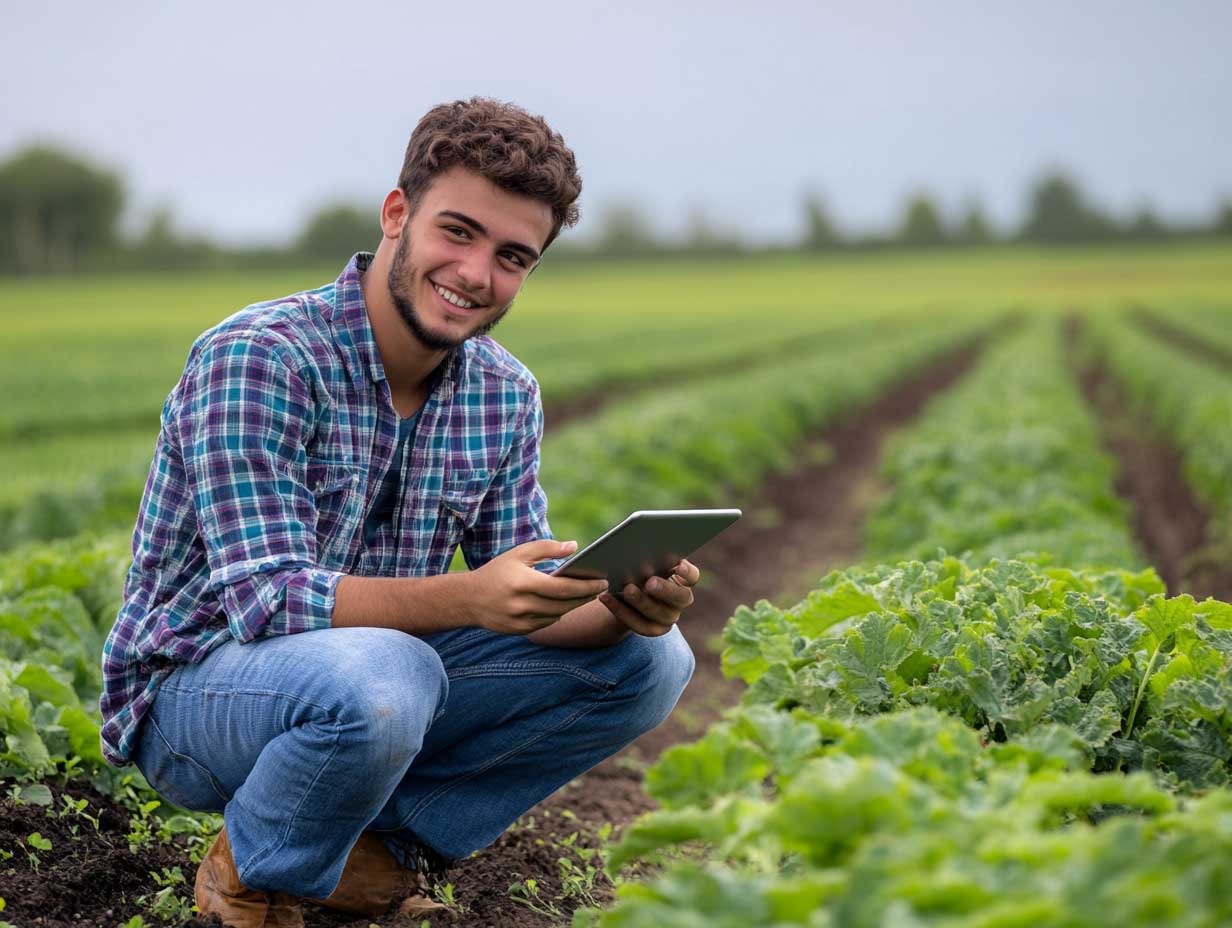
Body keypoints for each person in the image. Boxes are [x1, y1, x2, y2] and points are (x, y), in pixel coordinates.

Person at [99, 97, 698, 927]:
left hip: (367, 683)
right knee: (392, 673)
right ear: (396, 215)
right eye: (458, 232)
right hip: (195, 694)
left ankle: (371, 855)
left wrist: (616, 609)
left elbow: (523, 594)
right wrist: (465, 598)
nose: (477, 274)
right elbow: (267, 600)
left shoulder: (503, 392)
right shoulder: (260, 357)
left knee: (654, 662)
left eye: (513, 256)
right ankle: (259, 872)